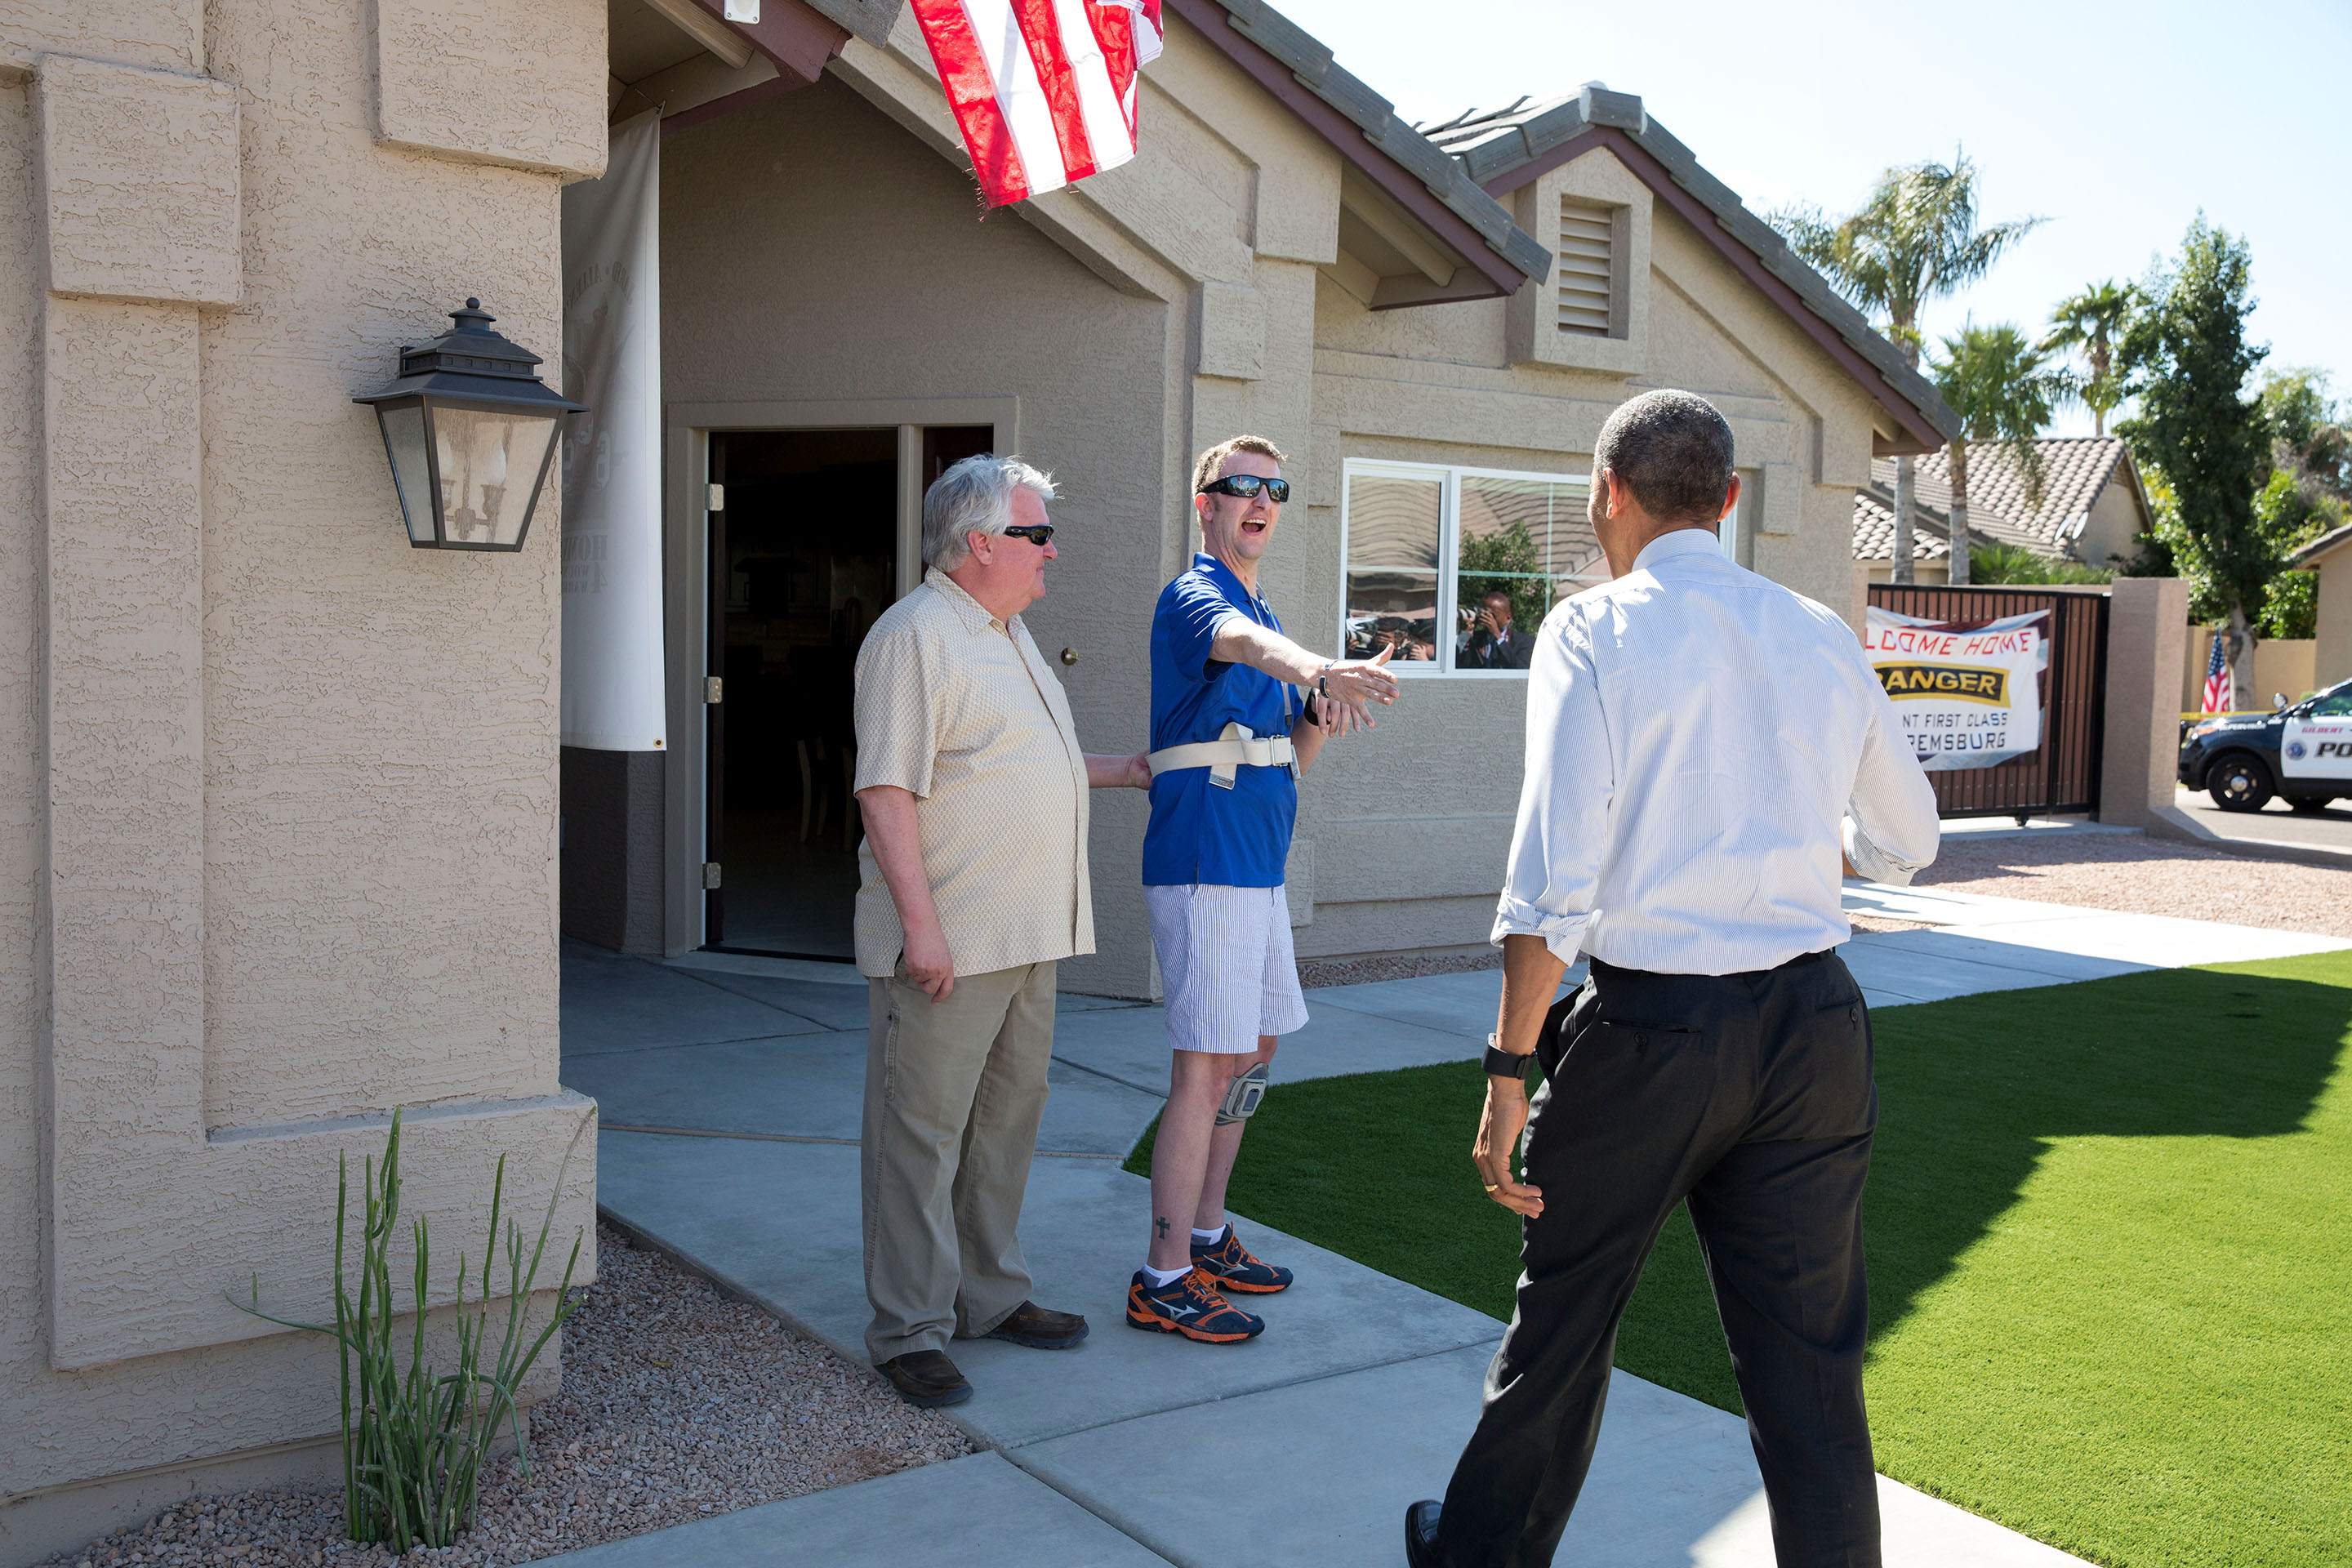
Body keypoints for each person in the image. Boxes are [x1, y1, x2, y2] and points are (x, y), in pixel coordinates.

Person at [1404, 391, 1940, 1568]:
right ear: (1731, 500)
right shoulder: (1817, 628)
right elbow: (1912, 839)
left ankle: (1481, 1556)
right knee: (1811, 1363)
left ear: (1608, 491)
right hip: (1815, 1028)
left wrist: (1506, 1073)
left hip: (1653, 1034)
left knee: (1564, 1327)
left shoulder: (1593, 630)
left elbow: (1555, 884)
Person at [852, 454, 1152, 1410]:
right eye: (1034, 534)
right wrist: (921, 931)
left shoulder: (1010, 634)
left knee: (1003, 1131)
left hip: (1029, 937)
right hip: (952, 944)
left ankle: (989, 1296)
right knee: (922, 1138)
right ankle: (909, 1327)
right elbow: (884, 789)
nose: (1050, 550)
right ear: (979, 543)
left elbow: (1028, 765)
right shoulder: (916, 637)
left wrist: (1130, 769)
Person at [1125, 434, 1402, 1343]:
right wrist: (1317, 667)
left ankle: (1207, 1237)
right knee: (1204, 1067)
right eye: (1239, 485)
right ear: (1205, 502)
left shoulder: (1265, 607)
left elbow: (1295, 756)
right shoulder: (1197, 595)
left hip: (1256, 870)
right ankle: (1162, 1275)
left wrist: (1322, 712)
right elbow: (1239, 643)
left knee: (1254, 1052)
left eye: (1274, 487)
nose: (1259, 499)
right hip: (1204, 866)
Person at [1459, 589, 1533, 670]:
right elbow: (1457, 664)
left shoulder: (1524, 642)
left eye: (1492, 615)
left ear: (1508, 618)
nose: (1487, 618)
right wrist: (1464, 636)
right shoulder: (1475, 638)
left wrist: (1498, 636)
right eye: (1484, 614)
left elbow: (1520, 668)